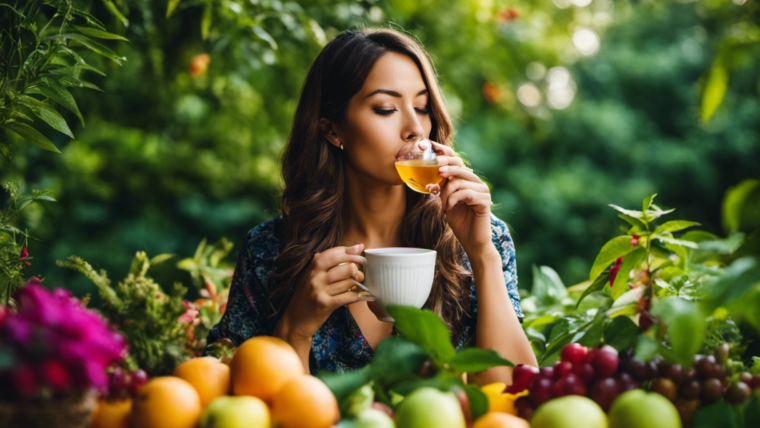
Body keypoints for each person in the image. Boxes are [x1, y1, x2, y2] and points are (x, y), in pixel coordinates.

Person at [206, 27, 537, 385]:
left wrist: (483, 254)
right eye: (385, 108)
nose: (415, 128)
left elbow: (512, 398)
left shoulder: (478, 238)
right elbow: (251, 405)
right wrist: (296, 328)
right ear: (333, 131)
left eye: (423, 107)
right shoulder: (269, 251)